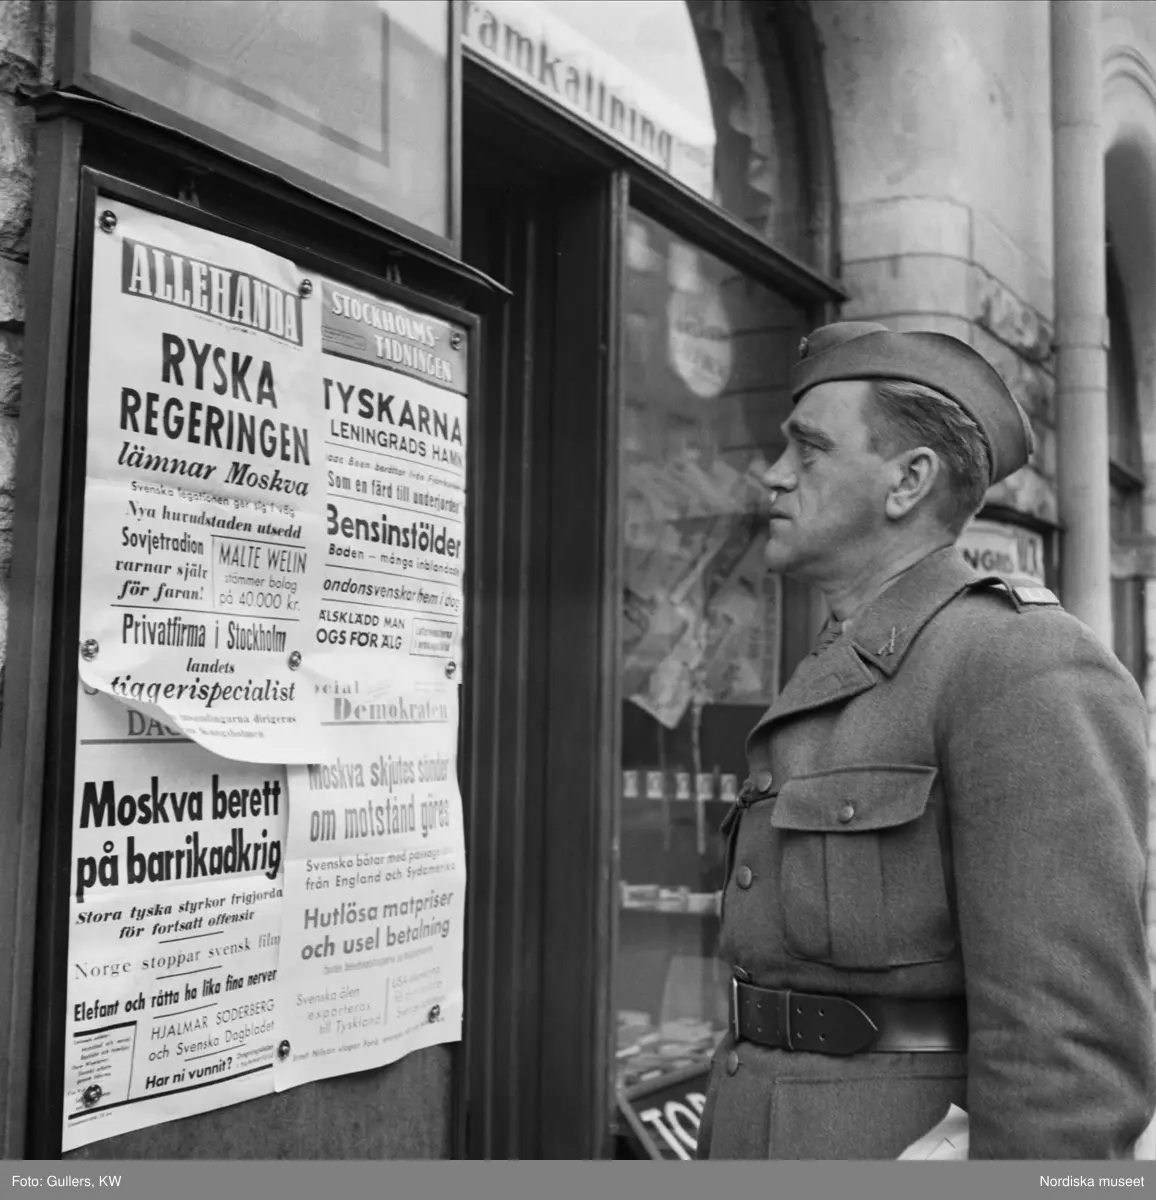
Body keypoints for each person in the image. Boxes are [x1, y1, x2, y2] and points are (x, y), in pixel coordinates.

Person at [695, 320, 1156, 1160]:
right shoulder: (845, 662)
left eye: (809, 450)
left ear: (908, 481)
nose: (774, 474)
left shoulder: (1018, 663)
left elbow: (1068, 1051)